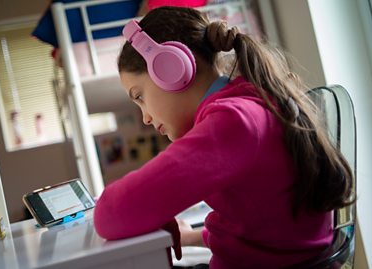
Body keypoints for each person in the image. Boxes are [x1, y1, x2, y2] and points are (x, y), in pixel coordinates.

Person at [93, 6, 354, 269]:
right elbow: (264, 224)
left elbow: (109, 214)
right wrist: (186, 233)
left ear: (171, 69)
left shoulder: (233, 122)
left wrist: (146, 209)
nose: (145, 118)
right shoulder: (250, 102)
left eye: (139, 97)